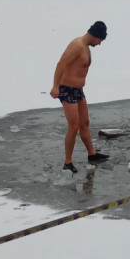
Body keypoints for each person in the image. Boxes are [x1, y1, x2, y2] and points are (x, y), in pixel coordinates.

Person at [49, 21, 110, 173]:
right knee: (74, 126)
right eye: (100, 40)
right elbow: (61, 64)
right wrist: (56, 86)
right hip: (67, 89)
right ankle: (68, 162)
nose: (100, 44)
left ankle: (92, 154)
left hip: (78, 90)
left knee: (85, 123)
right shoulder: (77, 45)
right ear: (95, 36)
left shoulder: (86, 47)